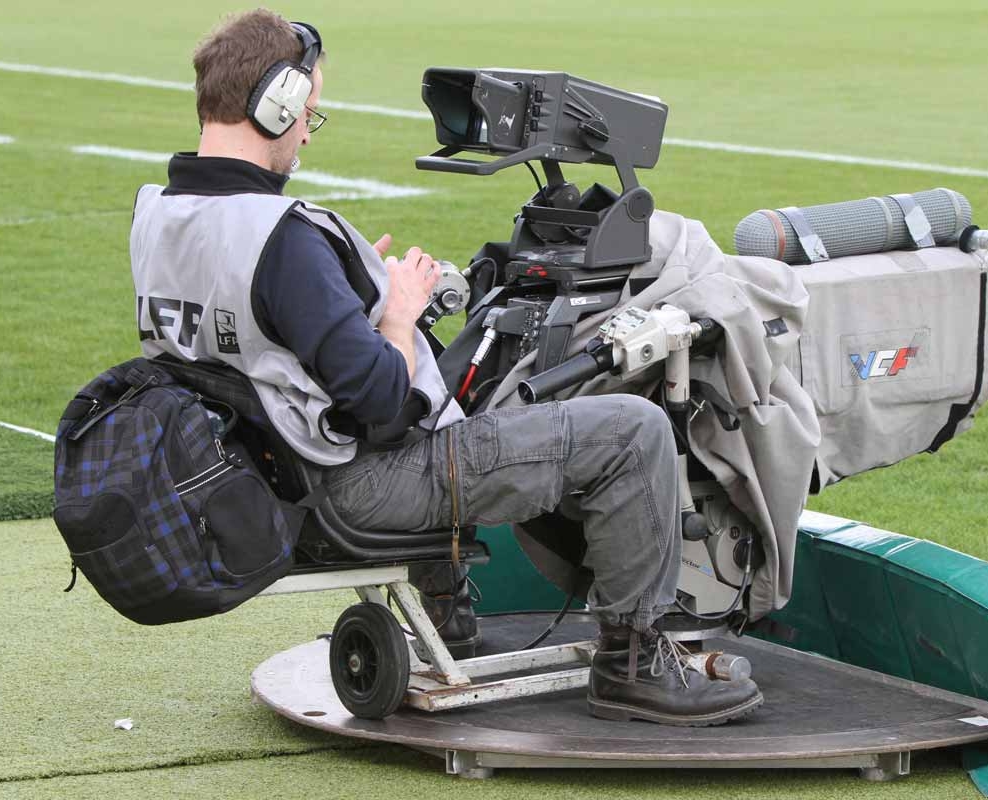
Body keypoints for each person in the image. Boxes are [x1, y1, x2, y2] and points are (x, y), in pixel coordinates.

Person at [128, 8, 762, 726]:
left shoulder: (157, 215)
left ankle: (448, 615)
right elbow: (384, 407)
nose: (307, 130)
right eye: (308, 112)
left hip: (264, 481)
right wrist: (396, 313)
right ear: (275, 107)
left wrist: (337, 296)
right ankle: (633, 665)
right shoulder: (285, 241)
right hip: (354, 486)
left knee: (464, 387)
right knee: (632, 429)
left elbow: (251, 336)